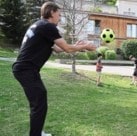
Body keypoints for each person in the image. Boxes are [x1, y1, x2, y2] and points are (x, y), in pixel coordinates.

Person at [12, 2, 96, 136]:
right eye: (59, 15)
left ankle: (38, 132)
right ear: (51, 13)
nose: (60, 18)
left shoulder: (40, 26)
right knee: (39, 103)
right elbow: (67, 48)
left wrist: (78, 46)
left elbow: (58, 49)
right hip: (26, 70)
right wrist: (84, 46)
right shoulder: (48, 27)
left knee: (39, 102)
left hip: (25, 70)